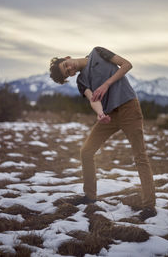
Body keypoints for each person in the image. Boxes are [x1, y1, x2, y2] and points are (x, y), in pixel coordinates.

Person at [49, 47, 156, 220]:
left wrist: (107, 84)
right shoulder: (81, 81)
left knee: (140, 156)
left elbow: (127, 65)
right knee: (86, 151)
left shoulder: (98, 53)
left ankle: (149, 206)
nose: (70, 69)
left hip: (129, 107)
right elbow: (93, 99)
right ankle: (90, 197)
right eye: (67, 72)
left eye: (66, 65)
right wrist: (100, 113)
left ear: (67, 58)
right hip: (109, 115)